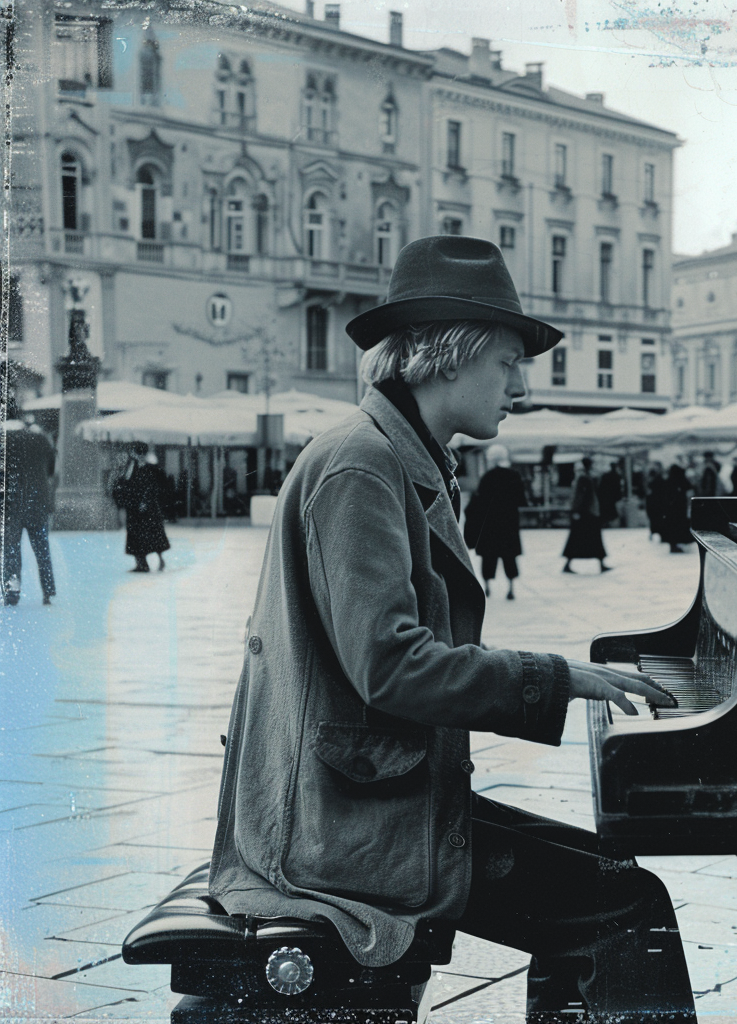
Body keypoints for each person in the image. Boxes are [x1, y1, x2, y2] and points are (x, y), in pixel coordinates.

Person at [207, 236, 695, 1022]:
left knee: (616, 881)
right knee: (625, 908)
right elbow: (391, 668)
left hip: (362, 798)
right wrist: (556, 677)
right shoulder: (363, 466)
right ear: (446, 356)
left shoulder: (398, 457)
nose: (522, 387)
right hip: (337, 834)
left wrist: (551, 679)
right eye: (507, 362)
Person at [2, 407, 57, 607]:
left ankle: (12, 592)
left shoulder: (4, 441)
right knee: (42, 549)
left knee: (11, 553)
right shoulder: (41, 439)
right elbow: (50, 469)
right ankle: (48, 591)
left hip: (12, 505)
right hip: (38, 503)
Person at [463, 444, 526, 600]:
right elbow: (521, 500)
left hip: (490, 525)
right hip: (509, 524)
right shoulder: (514, 476)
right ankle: (511, 588)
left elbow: (478, 502)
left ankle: (487, 587)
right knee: (509, 557)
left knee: (488, 557)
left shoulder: (488, 477)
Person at [113, 445, 171, 572]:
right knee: (136, 537)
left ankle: (159, 560)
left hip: (148, 508)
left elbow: (154, 487)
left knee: (153, 536)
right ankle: (141, 563)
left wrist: (146, 501)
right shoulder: (130, 467)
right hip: (134, 508)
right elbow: (125, 484)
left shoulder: (150, 468)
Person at [562, 457, 611, 573]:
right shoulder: (584, 478)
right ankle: (601, 564)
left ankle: (569, 563)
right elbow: (582, 496)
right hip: (587, 513)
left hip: (585, 512)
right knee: (592, 539)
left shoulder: (584, 476)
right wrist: (578, 511)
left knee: (578, 539)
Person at [597, 462, 624, 527]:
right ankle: (609, 523)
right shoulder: (616, 476)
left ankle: (607, 523)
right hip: (610, 497)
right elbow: (618, 488)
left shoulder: (606, 476)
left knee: (607, 511)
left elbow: (600, 487)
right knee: (611, 511)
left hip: (606, 497)